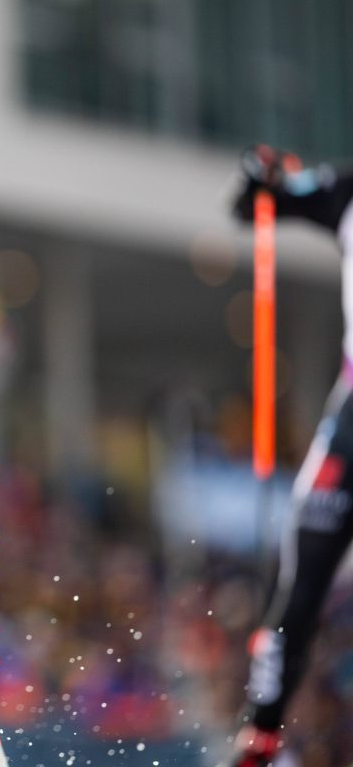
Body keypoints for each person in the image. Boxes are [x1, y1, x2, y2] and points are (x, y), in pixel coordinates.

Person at [222, 145, 353, 767]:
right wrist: (264, 180)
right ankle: (261, 739)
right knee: (297, 590)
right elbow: (254, 206)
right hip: (350, 427)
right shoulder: (345, 191)